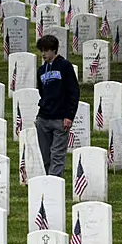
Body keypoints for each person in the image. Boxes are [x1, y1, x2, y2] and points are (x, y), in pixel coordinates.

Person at [35, 35, 79, 177]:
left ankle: (54, 183)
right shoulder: (41, 70)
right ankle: (49, 180)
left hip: (60, 119)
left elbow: (73, 92)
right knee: (45, 155)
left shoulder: (64, 66)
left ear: (54, 50)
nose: (43, 54)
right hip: (44, 118)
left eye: (46, 51)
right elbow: (42, 93)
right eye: (41, 51)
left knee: (57, 155)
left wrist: (69, 115)